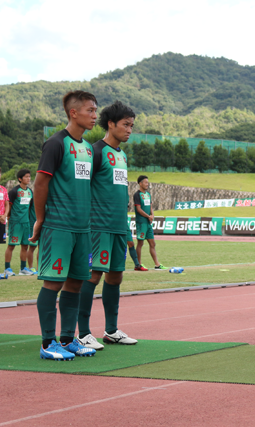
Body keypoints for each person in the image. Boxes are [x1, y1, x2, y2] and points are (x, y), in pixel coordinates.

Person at [31, 90, 99, 360]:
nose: (95, 116)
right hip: (58, 226)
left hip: (84, 229)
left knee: (76, 284)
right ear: (74, 113)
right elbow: (40, 184)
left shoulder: (87, 148)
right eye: (90, 110)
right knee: (53, 283)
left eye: (95, 110)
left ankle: (69, 339)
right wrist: (40, 219)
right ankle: (48, 343)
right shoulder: (55, 144)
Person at [77, 101, 139, 351]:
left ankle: (111, 330)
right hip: (98, 226)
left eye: (132, 126)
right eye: (125, 125)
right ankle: (82, 333)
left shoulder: (122, 155)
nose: (129, 130)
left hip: (118, 226)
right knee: (92, 275)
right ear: (110, 124)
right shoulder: (95, 152)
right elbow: (82, 188)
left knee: (116, 276)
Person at [4, 169, 35, 276]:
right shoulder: (14, 191)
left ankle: (23, 269)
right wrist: (10, 220)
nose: (28, 178)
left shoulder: (30, 191)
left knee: (25, 246)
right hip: (15, 223)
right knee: (11, 246)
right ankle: (7, 269)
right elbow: (9, 206)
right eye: (26, 177)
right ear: (20, 179)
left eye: (29, 176)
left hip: (26, 223)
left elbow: (30, 207)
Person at [133, 176, 167, 270]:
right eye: (145, 182)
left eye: (148, 182)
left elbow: (151, 207)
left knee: (152, 244)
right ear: (140, 183)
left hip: (148, 223)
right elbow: (138, 209)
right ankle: (138, 265)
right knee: (140, 243)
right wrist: (148, 216)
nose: (147, 184)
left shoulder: (148, 194)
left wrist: (152, 215)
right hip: (141, 223)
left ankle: (157, 265)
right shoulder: (137, 195)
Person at [27, 197, 38, 274]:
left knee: (42, 248)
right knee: (32, 247)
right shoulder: (33, 198)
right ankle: (30, 267)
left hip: (45, 226)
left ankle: (39, 268)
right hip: (33, 225)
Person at [0, 167, 7, 247]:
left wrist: (4, 215)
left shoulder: (3, 189)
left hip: (2, 220)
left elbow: (7, 204)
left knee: (1, 245)